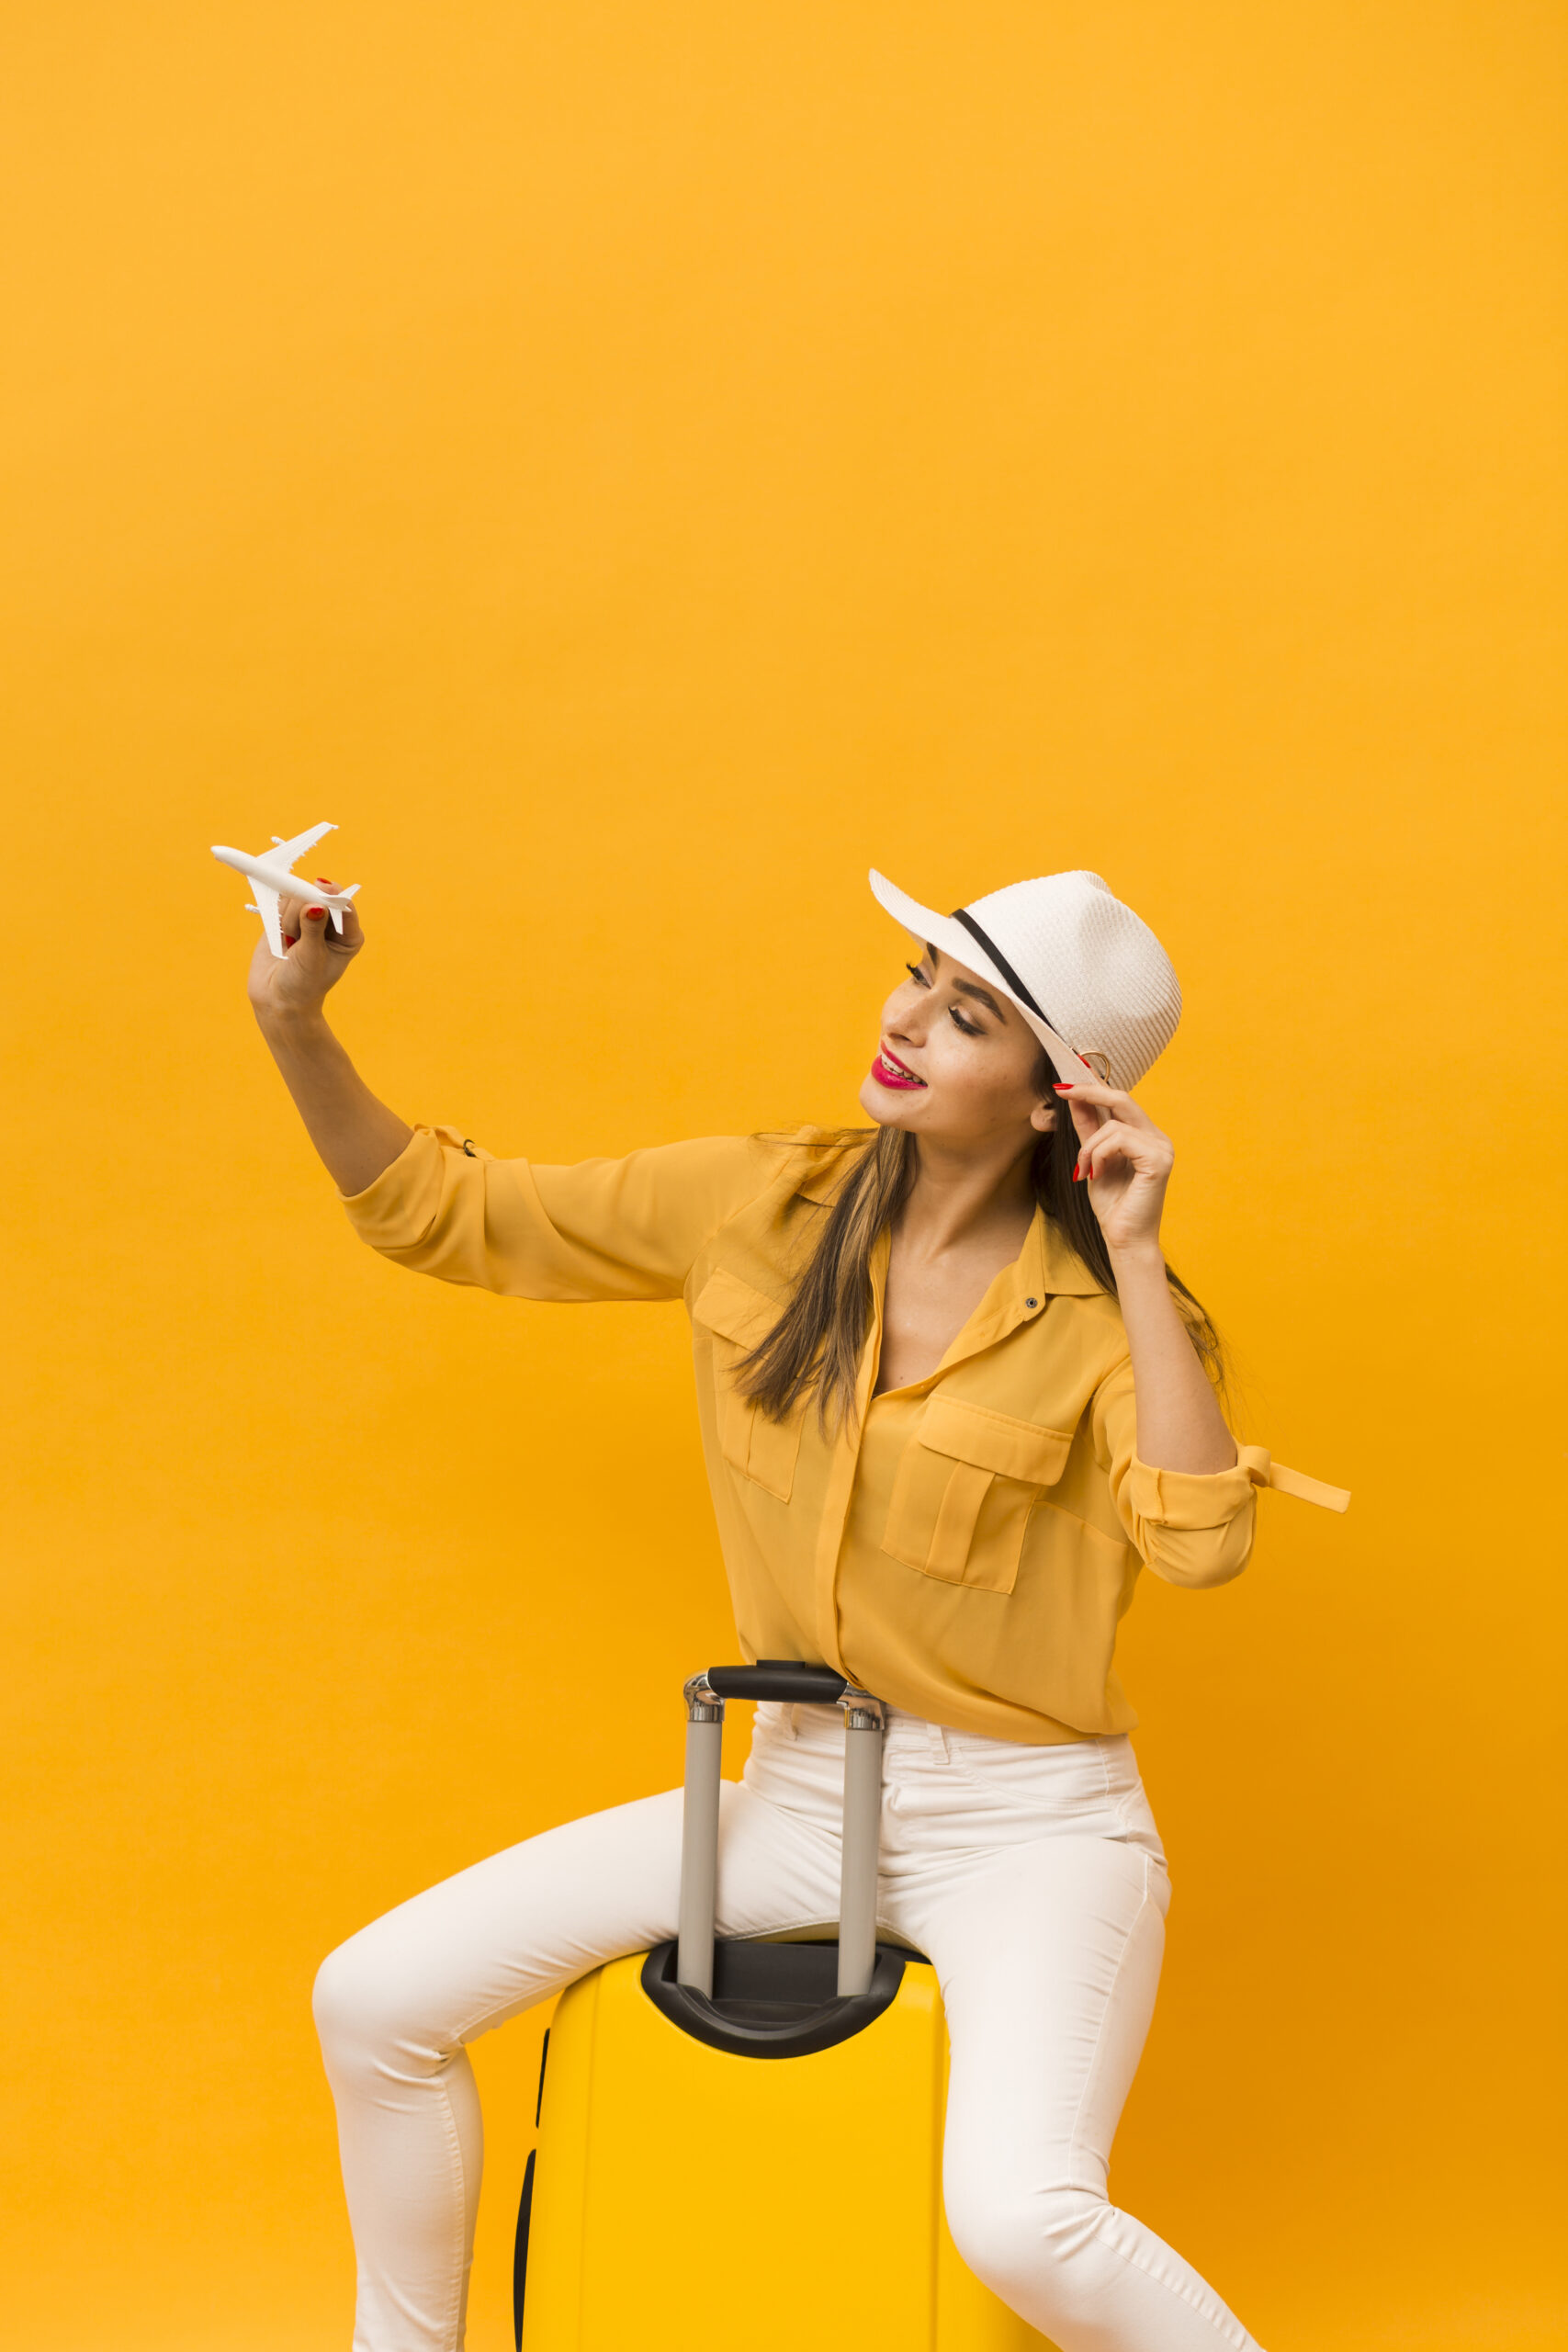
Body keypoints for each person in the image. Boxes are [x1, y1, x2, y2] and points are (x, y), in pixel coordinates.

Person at [248, 863, 1344, 2352]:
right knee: (373, 1999)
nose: (905, 1020)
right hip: (792, 1800)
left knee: (1024, 2218)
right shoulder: (757, 1203)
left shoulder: (1106, 1321)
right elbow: (448, 1214)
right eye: (915, 977)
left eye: (967, 1017)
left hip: (1030, 1831)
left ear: (1051, 1103)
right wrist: (296, 1019)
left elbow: (1204, 1547)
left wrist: (1139, 1252)